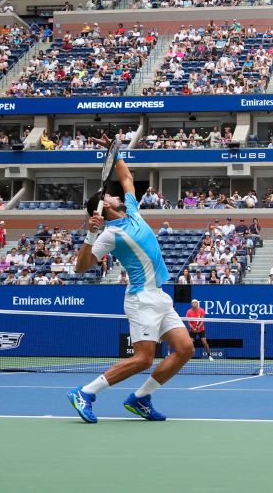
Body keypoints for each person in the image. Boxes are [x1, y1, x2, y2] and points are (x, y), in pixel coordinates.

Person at [67, 155, 193, 423]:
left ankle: (140, 398)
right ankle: (85, 393)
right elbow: (82, 267)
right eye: (110, 197)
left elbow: (126, 178)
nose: (115, 196)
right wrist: (90, 234)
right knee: (143, 359)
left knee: (185, 349)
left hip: (159, 296)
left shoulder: (133, 210)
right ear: (103, 208)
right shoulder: (109, 235)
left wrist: (115, 153)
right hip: (140, 300)